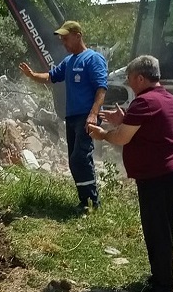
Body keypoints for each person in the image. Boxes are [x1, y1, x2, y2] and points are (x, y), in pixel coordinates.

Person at [87, 55, 173, 292]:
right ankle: (160, 277)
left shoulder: (144, 102)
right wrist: (124, 120)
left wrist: (104, 134)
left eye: (131, 79)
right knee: (165, 229)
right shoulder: (170, 100)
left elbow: (122, 138)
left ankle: (163, 288)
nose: (130, 84)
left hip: (156, 177)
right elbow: (150, 129)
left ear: (140, 78)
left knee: (156, 231)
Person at [19, 20, 107, 213]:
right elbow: (51, 77)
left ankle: (92, 202)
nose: (64, 43)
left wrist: (93, 114)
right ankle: (86, 201)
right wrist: (32, 75)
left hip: (87, 117)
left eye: (66, 39)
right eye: (62, 40)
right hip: (72, 117)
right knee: (75, 159)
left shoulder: (93, 59)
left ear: (78, 36)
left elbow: (101, 88)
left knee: (79, 157)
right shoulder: (69, 62)